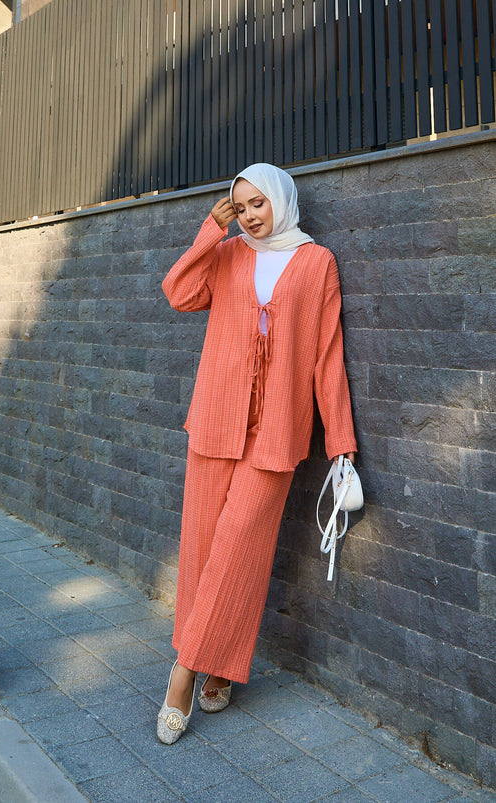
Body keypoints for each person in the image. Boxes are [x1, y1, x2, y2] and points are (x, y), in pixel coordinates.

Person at [157, 163, 357, 744]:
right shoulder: (227, 254)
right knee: (202, 548)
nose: (248, 215)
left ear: (280, 200)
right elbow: (178, 293)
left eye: (257, 204)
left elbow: (327, 354)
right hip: (216, 419)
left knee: (238, 549)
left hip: (275, 432)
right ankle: (218, 666)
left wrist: (340, 442)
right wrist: (210, 230)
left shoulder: (316, 263)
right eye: (239, 206)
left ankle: (182, 673)